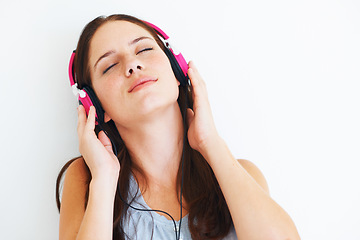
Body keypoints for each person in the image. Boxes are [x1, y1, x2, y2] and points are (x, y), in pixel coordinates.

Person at [56, 14, 300, 240]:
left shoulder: (239, 173)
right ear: (94, 104)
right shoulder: (87, 179)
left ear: (177, 69)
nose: (132, 65)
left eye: (144, 49)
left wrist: (210, 142)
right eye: (109, 66)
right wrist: (104, 179)